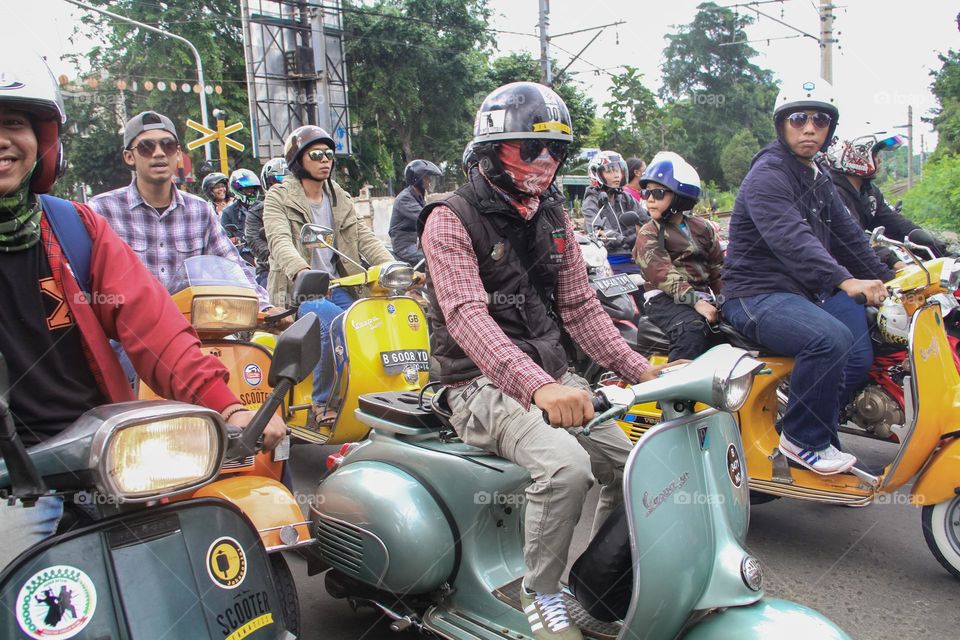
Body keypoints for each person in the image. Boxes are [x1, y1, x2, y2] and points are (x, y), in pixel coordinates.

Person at [0, 51, 285, 569]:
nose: (1, 139)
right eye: (147, 146)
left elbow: (153, 322)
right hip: (12, 479)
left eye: (13, 122)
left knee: (160, 568)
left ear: (41, 142)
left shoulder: (75, 227)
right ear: (129, 156)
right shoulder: (106, 207)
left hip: (98, 449)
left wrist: (228, 403)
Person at [418, 82, 668, 640]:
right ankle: (541, 590)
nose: (545, 162)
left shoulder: (553, 213)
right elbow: (466, 318)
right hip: (476, 383)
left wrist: (639, 369)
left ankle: (595, 588)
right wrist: (538, 386)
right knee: (566, 469)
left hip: (548, 374)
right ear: (490, 150)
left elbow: (581, 307)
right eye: (529, 149)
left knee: (631, 469)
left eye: (555, 151)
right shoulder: (449, 218)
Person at [720, 77, 893, 475]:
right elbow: (791, 238)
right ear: (782, 125)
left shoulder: (817, 177)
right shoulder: (769, 174)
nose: (809, 127)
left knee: (861, 349)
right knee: (828, 338)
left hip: (801, 292)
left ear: (830, 129)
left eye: (820, 119)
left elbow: (850, 240)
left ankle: (824, 438)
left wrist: (889, 278)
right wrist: (846, 281)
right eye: (798, 119)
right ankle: (802, 439)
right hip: (755, 294)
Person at [263, 126, 394, 424]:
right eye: (317, 155)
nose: (325, 161)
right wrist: (303, 272)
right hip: (302, 290)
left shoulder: (340, 197)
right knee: (331, 322)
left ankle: (374, 392)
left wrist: (392, 267)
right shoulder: (279, 197)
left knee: (377, 321)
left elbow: (366, 239)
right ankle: (322, 401)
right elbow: (279, 240)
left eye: (329, 155)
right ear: (298, 158)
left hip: (340, 285)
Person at [88, 111, 276, 314]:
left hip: (192, 335)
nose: (159, 153)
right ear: (129, 156)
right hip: (125, 339)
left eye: (167, 145)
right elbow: (82, 280)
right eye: (146, 147)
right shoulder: (102, 210)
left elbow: (231, 266)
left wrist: (265, 308)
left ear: (177, 154)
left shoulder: (200, 211)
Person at [635, 152, 724, 361]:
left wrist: (727, 301)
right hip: (663, 299)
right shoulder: (648, 232)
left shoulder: (702, 228)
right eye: (646, 193)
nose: (649, 200)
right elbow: (663, 274)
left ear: (679, 195)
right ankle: (676, 393)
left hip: (701, 295)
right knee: (691, 330)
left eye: (657, 193)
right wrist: (697, 302)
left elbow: (718, 270)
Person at [825, 133, 946, 268]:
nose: (880, 160)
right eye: (876, 155)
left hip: (858, 266)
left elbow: (899, 227)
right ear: (856, 156)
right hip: (830, 273)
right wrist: (893, 262)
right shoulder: (831, 192)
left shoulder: (869, 191)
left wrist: (944, 254)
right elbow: (853, 237)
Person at [582, 150, 648, 275]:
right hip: (608, 261)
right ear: (597, 173)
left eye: (618, 170)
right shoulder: (591, 201)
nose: (616, 175)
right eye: (610, 171)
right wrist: (626, 240)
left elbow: (645, 219)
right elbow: (598, 231)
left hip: (633, 258)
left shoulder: (625, 198)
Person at [244, 157, 289, 289]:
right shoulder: (255, 214)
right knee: (268, 303)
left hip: (309, 269)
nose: (281, 188)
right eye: (275, 183)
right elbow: (255, 242)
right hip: (271, 269)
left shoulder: (306, 208)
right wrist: (285, 258)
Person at [389, 159, 442, 266]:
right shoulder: (405, 199)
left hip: (413, 244)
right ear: (417, 179)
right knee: (435, 257)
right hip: (404, 247)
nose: (429, 181)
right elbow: (426, 217)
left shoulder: (418, 197)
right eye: (426, 178)